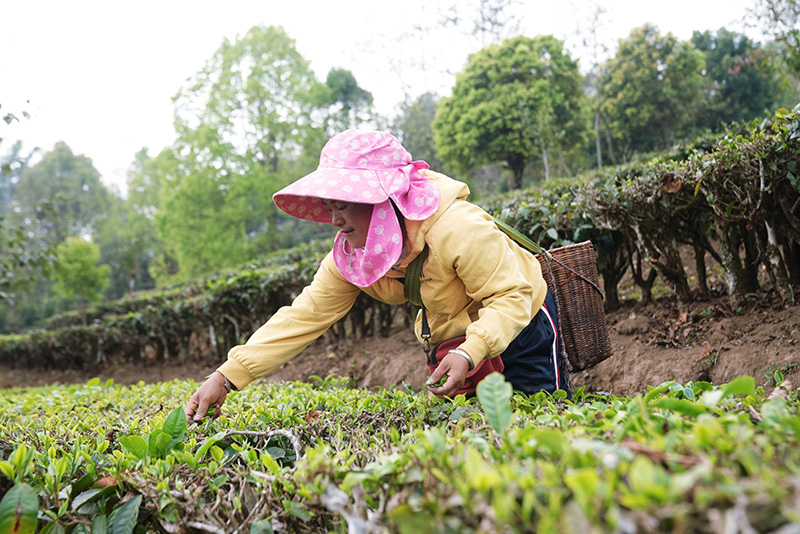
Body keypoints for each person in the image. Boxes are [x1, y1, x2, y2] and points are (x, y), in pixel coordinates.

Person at [185, 129, 567, 421]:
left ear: (382, 200)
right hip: (460, 338)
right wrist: (227, 375)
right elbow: (305, 315)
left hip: (522, 323)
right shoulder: (354, 257)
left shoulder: (457, 228)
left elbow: (512, 295)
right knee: (480, 435)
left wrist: (472, 349)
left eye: (344, 206)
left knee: (540, 421)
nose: (334, 220)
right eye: (330, 207)